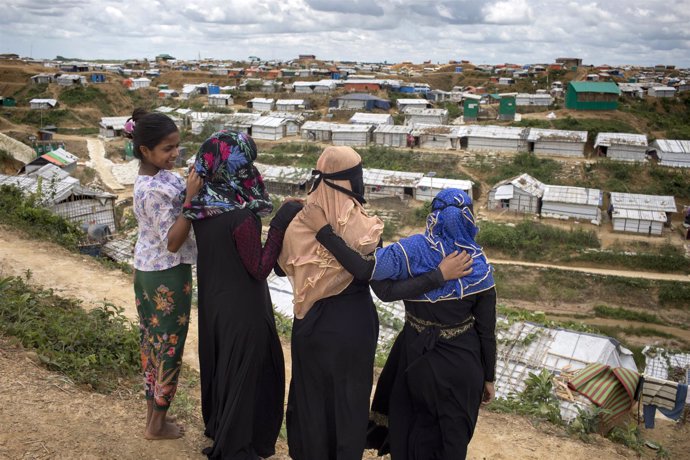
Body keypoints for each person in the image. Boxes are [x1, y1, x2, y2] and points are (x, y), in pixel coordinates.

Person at [277, 146, 473, 460]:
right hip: (353, 329)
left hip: (309, 325)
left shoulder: (298, 216)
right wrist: (438, 275)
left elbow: (277, 266)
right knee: (349, 402)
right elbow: (382, 288)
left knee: (311, 399)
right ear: (353, 180)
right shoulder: (364, 228)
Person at [301, 187, 497, 459]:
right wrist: (489, 377)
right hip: (461, 363)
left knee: (410, 427)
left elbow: (378, 285)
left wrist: (334, 233)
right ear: (469, 219)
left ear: (434, 216)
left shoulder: (411, 252)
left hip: (413, 355)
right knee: (450, 436)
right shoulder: (478, 265)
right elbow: (486, 331)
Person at [183, 130, 302, 459]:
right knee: (249, 376)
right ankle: (236, 446)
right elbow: (260, 267)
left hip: (215, 304)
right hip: (244, 308)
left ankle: (224, 432)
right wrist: (280, 223)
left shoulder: (201, 207)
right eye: (246, 162)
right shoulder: (241, 218)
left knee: (226, 371)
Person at [132, 112, 202, 440]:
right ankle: (157, 425)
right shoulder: (150, 190)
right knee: (168, 347)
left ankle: (152, 419)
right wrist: (189, 200)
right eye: (167, 148)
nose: (175, 153)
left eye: (177, 146)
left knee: (154, 346)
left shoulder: (161, 176)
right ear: (145, 150)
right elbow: (173, 242)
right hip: (166, 275)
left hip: (150, 272)